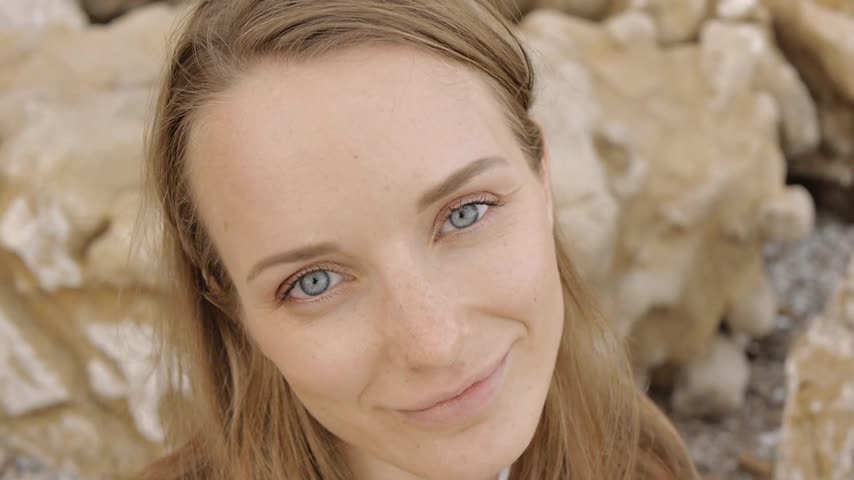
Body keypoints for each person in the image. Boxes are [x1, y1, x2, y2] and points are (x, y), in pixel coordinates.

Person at [138, 1, 700, 479]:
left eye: (464, 214)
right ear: (233, 308)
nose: (434, 344)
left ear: (543, 177)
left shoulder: (640, 460)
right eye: (315, 282)